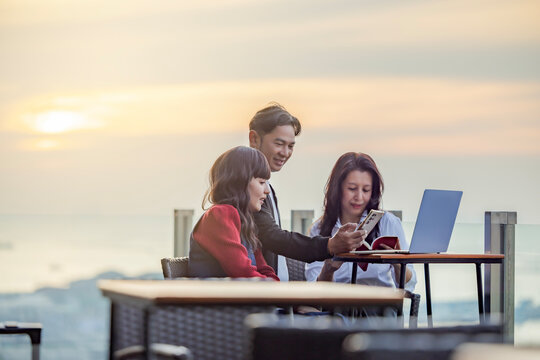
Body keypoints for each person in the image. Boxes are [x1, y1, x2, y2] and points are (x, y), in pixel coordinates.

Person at [249, 103, 366, 281]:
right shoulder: (247, 186)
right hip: (262, 299)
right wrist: (329, 245)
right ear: (254, 139)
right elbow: (272, 236)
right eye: (279, 144)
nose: (285, 153)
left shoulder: (266, 186)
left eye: (291, 146)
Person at [305, 152, 417, 292]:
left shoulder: (388, 222)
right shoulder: (320, 229)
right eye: (352, 189)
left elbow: (409, 286)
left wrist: (397, 263)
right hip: (338, 308)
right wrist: (328, 269)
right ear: (337, 189)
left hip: (378, 308)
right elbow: (314, 291)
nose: (359, 197)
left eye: (366, 190)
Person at [188, 146, 279, 280]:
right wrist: (275, 290)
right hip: (215, 299)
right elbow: (241, 270)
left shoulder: (246, 222)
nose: (267, 190)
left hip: (239, 297)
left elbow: (263, 268)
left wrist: (276, 286)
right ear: (239, 182)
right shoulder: (219, 214)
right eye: (261, 182)